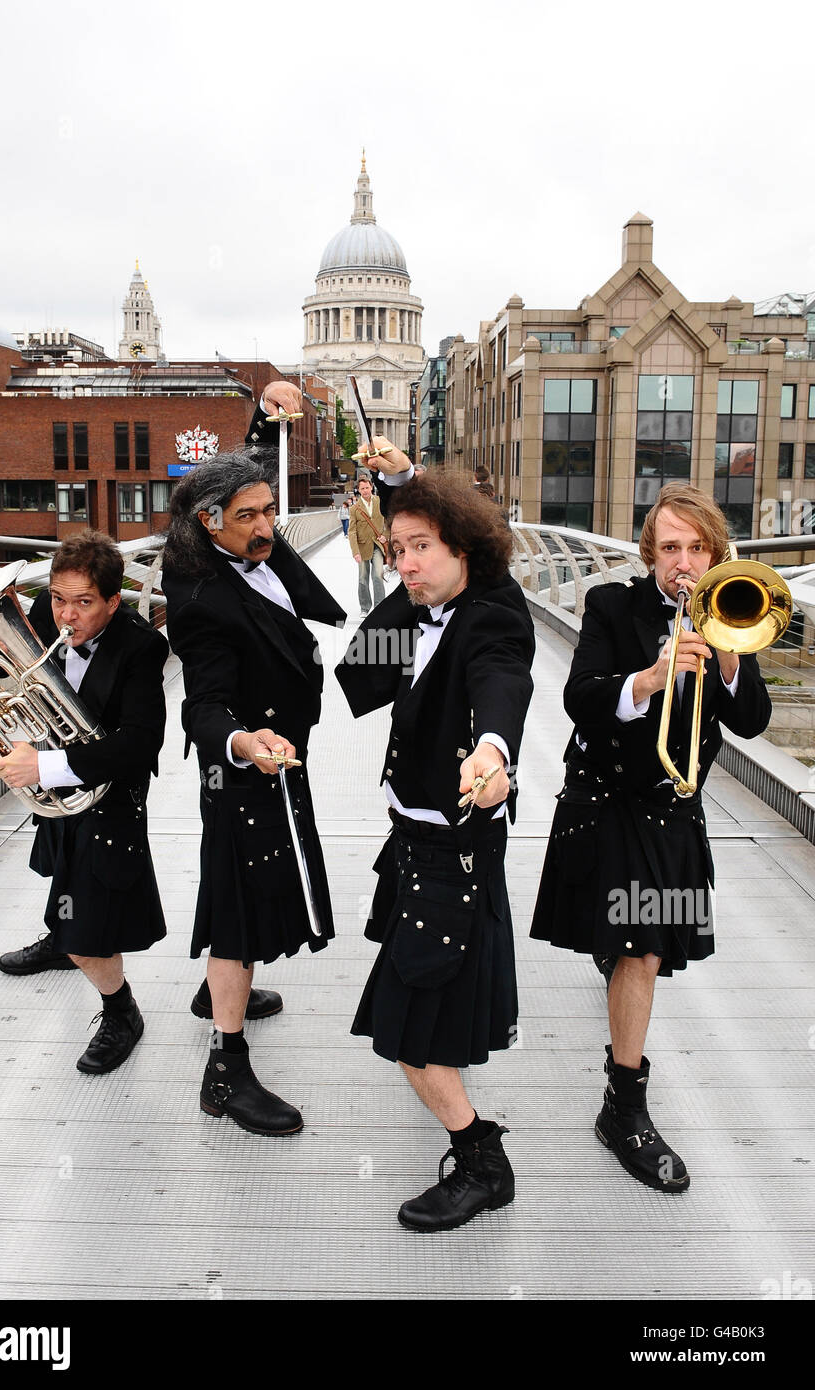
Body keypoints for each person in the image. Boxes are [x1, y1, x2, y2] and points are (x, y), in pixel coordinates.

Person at [530, 482, 772, 1193]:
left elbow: (753, 722)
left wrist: (727, 658)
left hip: (673, 806)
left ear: (717, 553)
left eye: (699, 547)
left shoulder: (734, 615)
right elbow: (580, 698)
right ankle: (624, 1108)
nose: (686, 562)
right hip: (607, 799)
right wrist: (652, 676)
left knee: (641, 949)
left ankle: (620, 1000)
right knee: (639, 949)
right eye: (672, 547)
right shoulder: (611, 605)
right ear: (649, 553)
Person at [335, 461, 535, 1231]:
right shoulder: (422, 605)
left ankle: (481, 1158)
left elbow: (502, 678)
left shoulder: (492, 613)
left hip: (451, 850)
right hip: (412, 841)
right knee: (423, 998)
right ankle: (454, 1101)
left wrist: (493, 753)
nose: (406, 563)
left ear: (467, 549)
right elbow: (357, 680)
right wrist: (412, 580)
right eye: (396, 550)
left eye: (421, 548)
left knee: (409, 1030)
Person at [161, 380, 346, 1137]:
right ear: (208, 525)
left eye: (271, 510)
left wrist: (267, 416)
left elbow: (244, 466)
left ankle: (218, 993)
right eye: (251, 517)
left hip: (280, 745)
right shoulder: (200, 596)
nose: (269, 526)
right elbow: (202, 702)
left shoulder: (254, 544)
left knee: (252, 882)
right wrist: (241, 744)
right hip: (247, 761)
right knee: (238, 902)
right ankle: (224, 1069)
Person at [0, 531, 169, 1074]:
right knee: (63, 870)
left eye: (84, 603)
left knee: (92, 906)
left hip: (109, 797)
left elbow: (140, 743)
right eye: (59, 598)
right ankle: (62, 938)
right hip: (58, 787)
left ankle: (120, 1010)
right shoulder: (44, 611)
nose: (66, 616)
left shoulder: (142, 647)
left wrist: (45, 767)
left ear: (113, 600)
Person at [348, 475, 386, 614]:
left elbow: (389, 521)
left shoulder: (380, 501)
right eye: (362, 488)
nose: (365, 490)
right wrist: (355, 552)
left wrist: (385, 536)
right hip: (362, 546)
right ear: (358, 490)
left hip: (378, 545)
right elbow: (351, 531)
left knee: (378, 576)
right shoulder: (354, 508)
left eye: (367, 487)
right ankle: (364, 608)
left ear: (371, 487)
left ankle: (380, 608)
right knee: (363, 578)